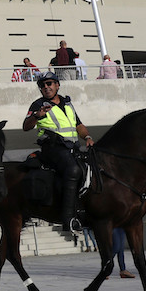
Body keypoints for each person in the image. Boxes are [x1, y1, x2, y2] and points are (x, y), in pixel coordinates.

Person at [22, 71, 95, 232]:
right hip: (52, 148)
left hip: (72, 148)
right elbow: (26, 126)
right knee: (73, 169)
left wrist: (88, 137)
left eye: (49, 83)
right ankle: (68, 218)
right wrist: (37, 115)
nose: (46, 87)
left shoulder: (68, 104)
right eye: (43, 85)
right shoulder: (38, 104)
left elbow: (79, 125)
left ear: (57, 85)